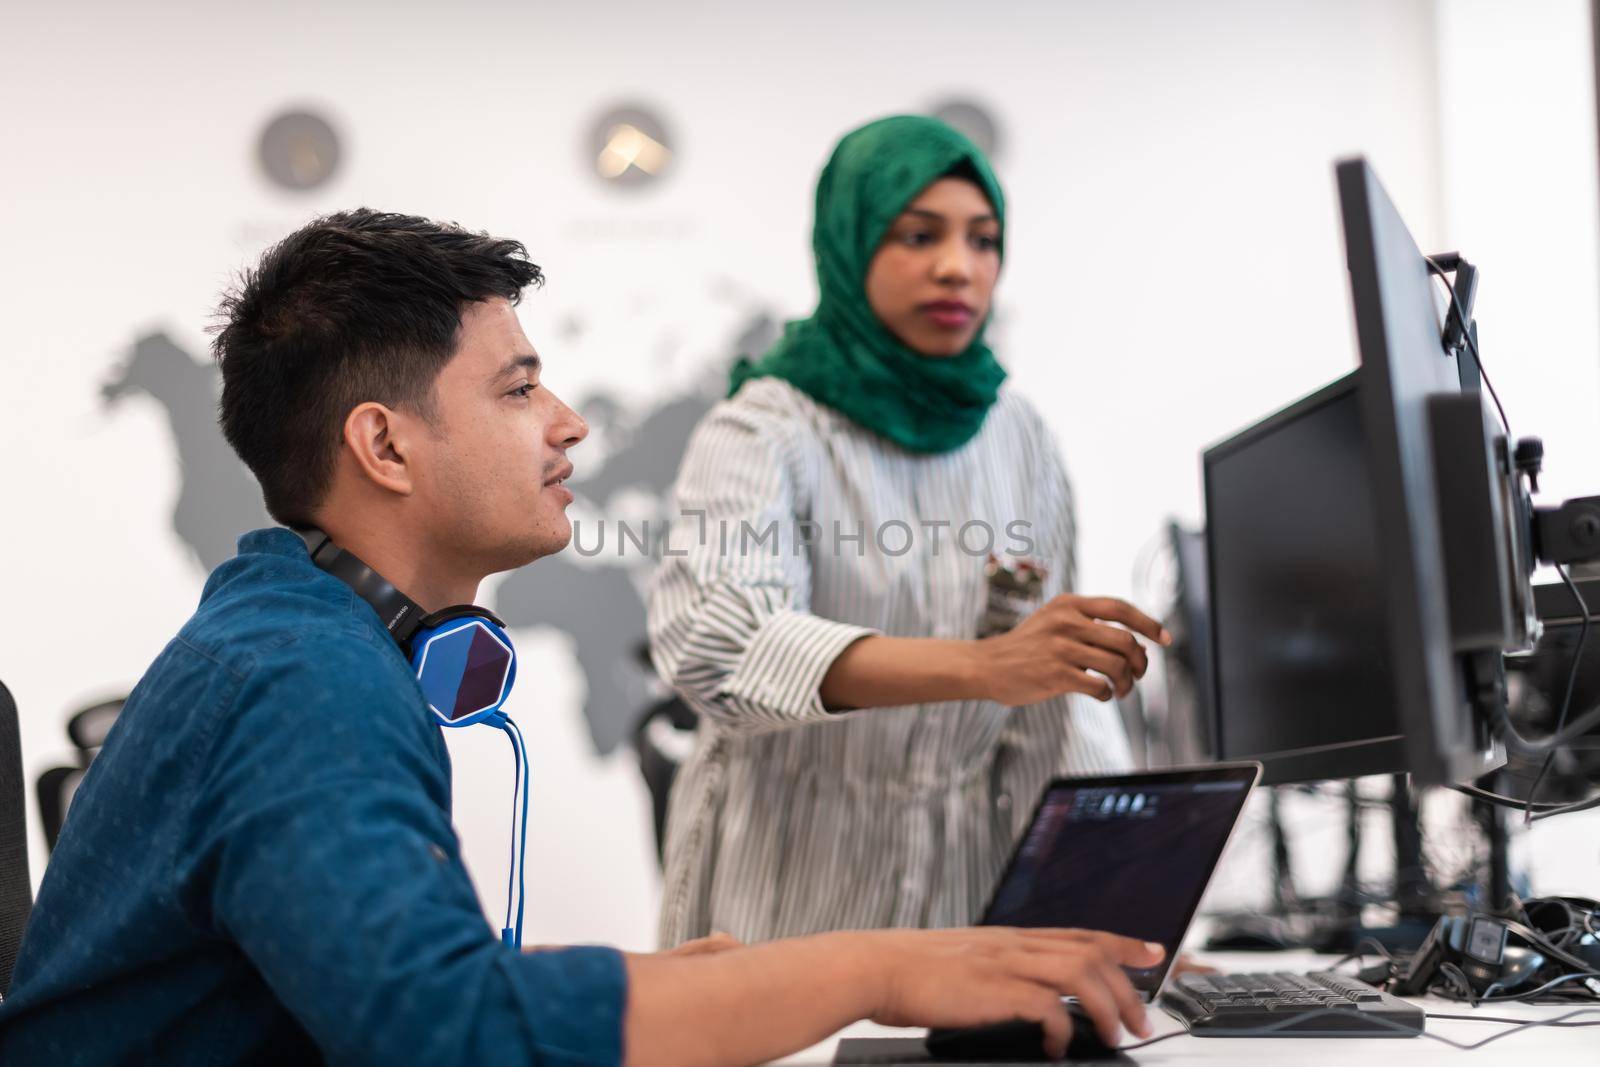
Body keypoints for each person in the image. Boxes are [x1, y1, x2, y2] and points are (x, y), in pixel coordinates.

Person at [0, 209, 1165, 1066]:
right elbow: (442, 1032)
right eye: (517, 390)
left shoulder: (295, 633)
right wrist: (879, 962)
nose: (570, 422)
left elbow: (395, 985)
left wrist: (667, 986)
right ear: (386, 446)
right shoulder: (304, 679)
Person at [650, 116, 1170, 947]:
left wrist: (1119, 914)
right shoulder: (763, 428)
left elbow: (1053, 712)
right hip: (783, 892)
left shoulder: (1019, 436)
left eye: (984, 239)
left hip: (962, 894)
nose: (958, 266)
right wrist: (984, 666)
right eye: (918, 235)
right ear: (850, 245)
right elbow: (719, 643)